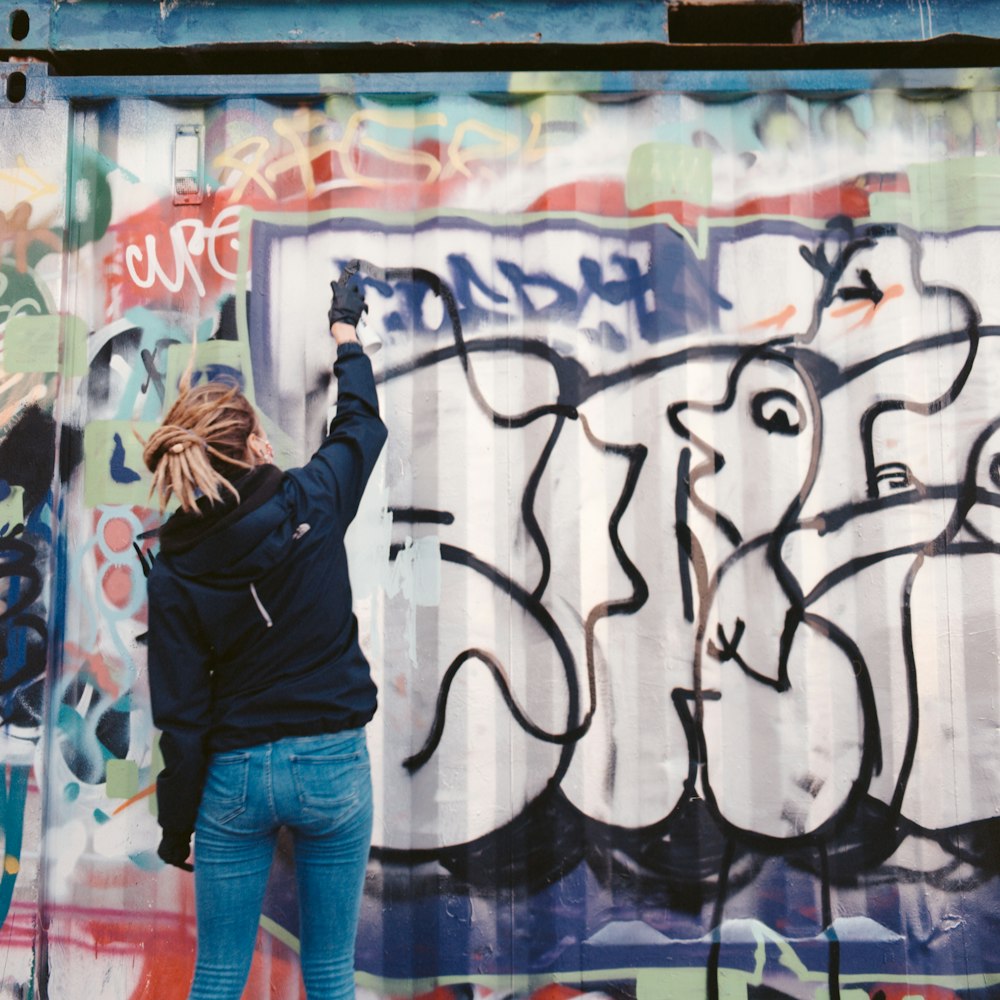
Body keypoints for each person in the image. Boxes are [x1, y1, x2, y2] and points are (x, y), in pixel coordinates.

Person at [142, 270, 386, 1000]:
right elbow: (361, 423)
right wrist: (345, 335)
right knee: (330, 973)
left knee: (217, 973)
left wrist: (176, 825)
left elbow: (180, 717)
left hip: (235, 778)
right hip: (331, 766)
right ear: (254, 444)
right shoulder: (314, 497)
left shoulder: (174, 569)